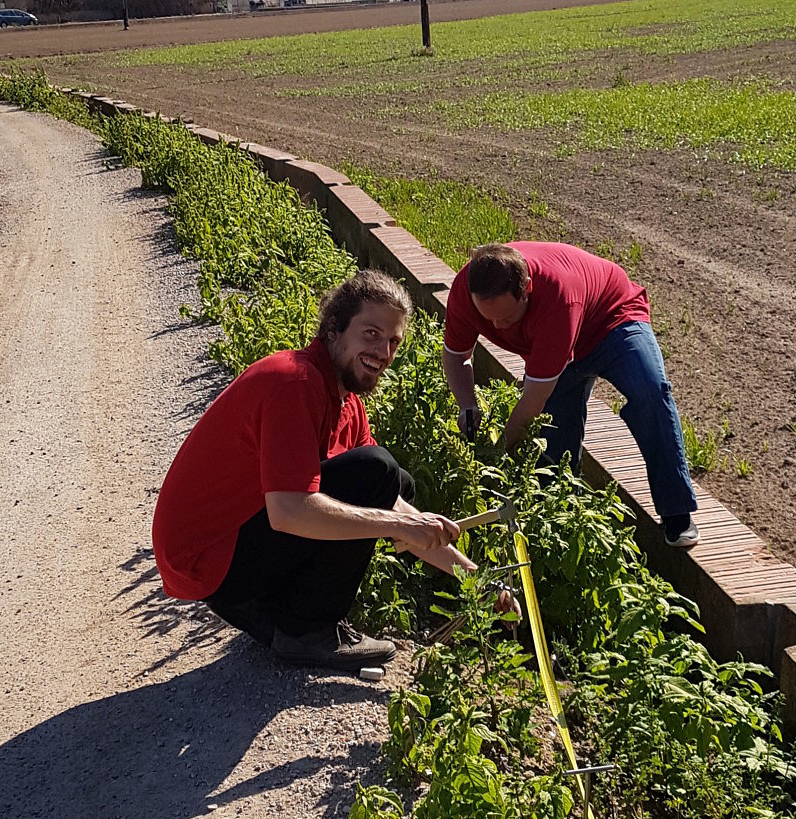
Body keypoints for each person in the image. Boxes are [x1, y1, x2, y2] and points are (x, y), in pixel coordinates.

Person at [152, 268, 474, 669]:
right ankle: (306, 631)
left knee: (394, 483)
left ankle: (283, 616)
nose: (383, 352)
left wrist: (471, 577)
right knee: (377, 471)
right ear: (334, 329)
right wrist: (399, 526)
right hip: (206, 560)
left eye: (393, 341)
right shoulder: (294, 382)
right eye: (371, 333)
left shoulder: (345, 400)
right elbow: (289, 511)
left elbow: (388, 500)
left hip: (238, 554)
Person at [442, 241, 699, 546]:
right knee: (554, 448)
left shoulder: (557, 301)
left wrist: (495, 458)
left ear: (527, 289)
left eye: (507, 318)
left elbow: (531, 404)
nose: (498, 326)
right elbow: (456, 354)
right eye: (488, 318)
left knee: (650, 392)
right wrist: (466, 405)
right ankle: (560, 524)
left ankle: (677, 511)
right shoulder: (466, 289)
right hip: (555, 340)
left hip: (612, 321)